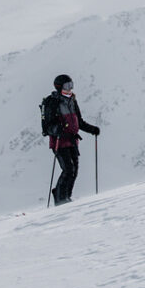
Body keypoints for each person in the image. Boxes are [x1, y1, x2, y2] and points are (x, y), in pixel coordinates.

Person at [41, 74, 100, 205]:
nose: (70, 88)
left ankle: (66, 197)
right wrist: (57, 129)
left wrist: (92, 129)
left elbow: (79, 122)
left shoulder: (72, 101)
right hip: (59, 142)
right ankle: (60, 198)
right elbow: (49, 126)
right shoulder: (53, 102)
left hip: (72, 141)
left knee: (74, 170)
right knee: (68, 169)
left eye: (71, 85)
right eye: (67, 86)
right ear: (59, 87)